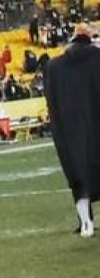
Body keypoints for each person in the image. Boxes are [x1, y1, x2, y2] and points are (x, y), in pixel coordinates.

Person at [45, 24, 100, 237]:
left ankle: (86, 223)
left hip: (71, 130)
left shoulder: (54, 66)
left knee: (79, 176)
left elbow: (52, 104)